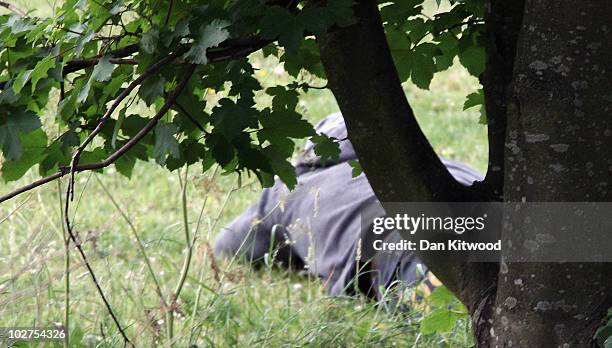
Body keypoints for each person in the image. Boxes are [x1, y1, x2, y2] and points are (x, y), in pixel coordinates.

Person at [214, 113, 483, 299]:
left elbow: (231, 246)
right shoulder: (442, 166)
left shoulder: (292, 188)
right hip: (491, 224)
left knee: (463, 307)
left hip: (401, 251)